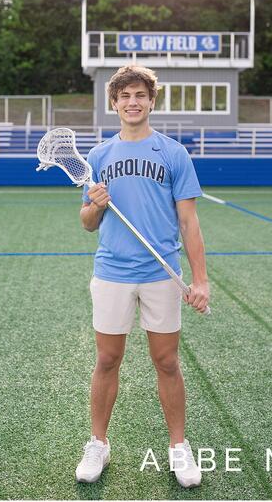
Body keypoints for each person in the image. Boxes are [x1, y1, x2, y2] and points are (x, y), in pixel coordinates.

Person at [75, 65, 209, 487]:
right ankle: (98, 443)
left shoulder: (173, 153)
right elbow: (87, 223)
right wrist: (95, 204)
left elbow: (188, 222)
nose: (132, 102)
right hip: (112, 273)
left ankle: (178, 447)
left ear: (151, 101)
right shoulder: (98, 156)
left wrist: (201, 280)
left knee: (166, 361)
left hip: (161, 274)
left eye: (139, 95)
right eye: (124, 96)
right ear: (114, 103)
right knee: (107, 359)